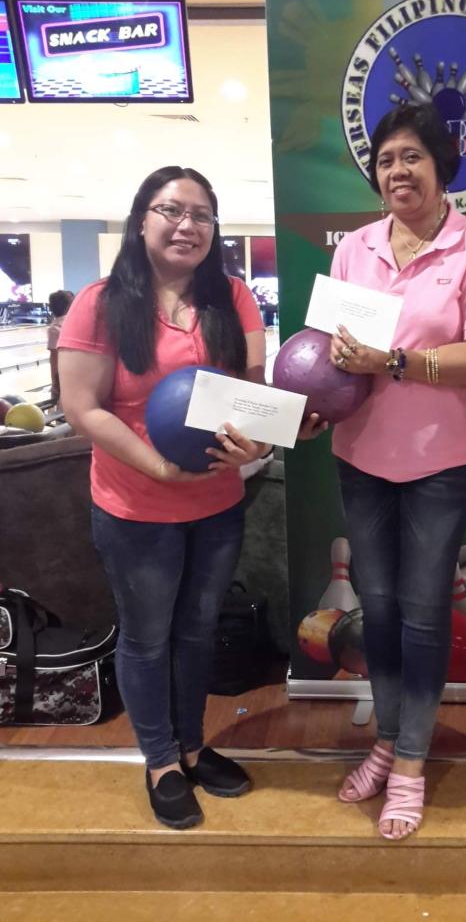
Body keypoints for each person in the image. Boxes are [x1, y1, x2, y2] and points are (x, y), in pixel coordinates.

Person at [58, 167, 272, 830]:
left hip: (215, 504)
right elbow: (81, 406)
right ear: (141, 220)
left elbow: (254, 396)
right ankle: (159, 761)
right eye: (171, 210)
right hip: (133, 507)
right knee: (148, 637)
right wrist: (155, 464)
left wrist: (254, 447)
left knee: (197, 631)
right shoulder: (100, 301)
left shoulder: (232, 298)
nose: (188, 225)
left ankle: (191, 746)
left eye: (202, 214)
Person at [328, 103, 466, 840]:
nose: (396, 171)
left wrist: (393, 362)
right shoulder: (356, 247)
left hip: (440, 459)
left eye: (410, 157)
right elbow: (328, 347)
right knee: (375, 605)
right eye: (385, 159)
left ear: (440, 167)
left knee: (424, 610)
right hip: (360, 453)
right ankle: (384, 738)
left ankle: (408, 760)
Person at [47, 289, 74, 405]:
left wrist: (55, 386)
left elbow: (55, 359)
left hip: (66, 377)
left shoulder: (55, 328)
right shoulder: (75, 322)